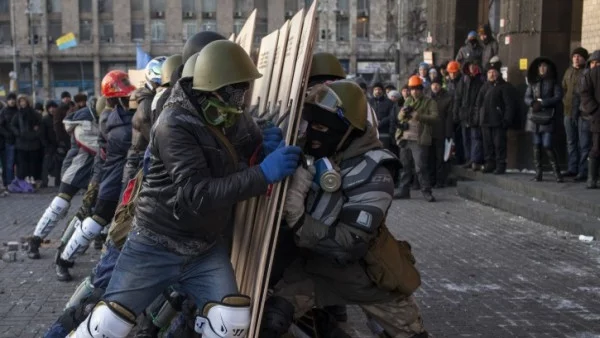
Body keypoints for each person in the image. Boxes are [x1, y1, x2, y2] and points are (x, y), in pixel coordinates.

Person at [68, 40, 302, 338]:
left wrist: (262, 145)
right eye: (236, 90)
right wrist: (263, 173)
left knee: (229, 321)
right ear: (211, 87)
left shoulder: (229, 113)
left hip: (204, 246)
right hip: (156, 242)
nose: (242, 99)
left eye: (244, 90)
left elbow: (242, 146)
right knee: (107, 325)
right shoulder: (174, 123)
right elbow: (197, 194)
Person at [260, 80, 428, 338]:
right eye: (310, 126)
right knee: (271, 321)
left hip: (364, 274)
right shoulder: (316, 155)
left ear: (346, 130)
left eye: (320, 127)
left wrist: (297, 219)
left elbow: (349, 243)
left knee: (409, 332)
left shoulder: (375, 171)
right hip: (313, 268)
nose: (313, 136)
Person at [57, 71, 136, 282]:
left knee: (100, 221)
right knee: (97, 220)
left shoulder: (113, 116)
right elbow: (127, 138)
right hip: (114, 177)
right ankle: (63, 260)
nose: (130, 99)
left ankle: (65, 259)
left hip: (114, 176)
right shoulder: (115, 119)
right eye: (126, 97)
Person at [27, 93, 98, 260]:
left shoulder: (99, 119)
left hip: (95, 172)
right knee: (60, 205)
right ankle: (35, 241)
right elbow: (98, 146)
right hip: (77, 168)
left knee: (90, 211)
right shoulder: (85, 122)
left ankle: (66, 248)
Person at [122, 56, 166, 185]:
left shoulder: (149, 99)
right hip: (139, 160)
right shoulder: (147, 101)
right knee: (129, 202)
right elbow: (153, 136)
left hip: (140, 158)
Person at [395, 75, 439, 201]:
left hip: (419, 139)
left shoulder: (430, 102)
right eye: (412, 89)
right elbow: (399, 118)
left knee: (421, 167)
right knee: (405, 166)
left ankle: (426, 191)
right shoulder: (408, 100)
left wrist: (418, 116)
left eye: (417, 89)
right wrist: (403, 113)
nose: (414, 91)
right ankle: (404, 191)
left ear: (421, 89)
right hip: (405, 137)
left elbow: (435, 118)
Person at [524, 57, 564, 182]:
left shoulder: (553, 82)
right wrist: (532, 103)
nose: (542, 68)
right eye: (540, 66)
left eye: (544, 66)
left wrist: (544, 103)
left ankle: (557, 173)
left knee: (547, 145)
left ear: (548, 68)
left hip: (548, 118)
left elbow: (558, 96)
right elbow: (526, 97)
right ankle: (538, 173)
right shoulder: (533, 82)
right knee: (536, 146)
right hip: (534, 119)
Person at [477, 58, 516, 175]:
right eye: (489, 72)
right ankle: (490, 164)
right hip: (485, 121)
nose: (491, 74)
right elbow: (478, 103)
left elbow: (509, 105)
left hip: (498, 121)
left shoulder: (505, 87)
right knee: (487, 145)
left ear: (499, 73)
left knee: (499, 145)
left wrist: (506, 120)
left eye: (494, 72)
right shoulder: (484, 87)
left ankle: (500, 165)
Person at [562, 47, 589, 180]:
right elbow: (564, 88)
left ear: (584, 58)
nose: (576, 58)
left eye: (579, 56)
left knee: (583, 144)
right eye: (574, 56)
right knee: (571, 142)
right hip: (568, 112)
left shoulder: (587, 72)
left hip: (582, 114)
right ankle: (572, 168)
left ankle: (583, 171)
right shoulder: (568, 71)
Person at [455, 61, 485, 170]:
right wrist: (456, 112)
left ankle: (474, 160)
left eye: (474, 65)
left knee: (475, 137)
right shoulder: (464, 79)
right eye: (470, 66)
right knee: (466, 138)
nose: (472, 67)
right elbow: (458, 97)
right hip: (464, 113)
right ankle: (468, 159)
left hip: (475, 112)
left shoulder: (481, 79)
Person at [11, 95, 42, 186]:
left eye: (24, 101)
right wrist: (18, 133)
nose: (22, 103)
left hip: (33, 141)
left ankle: (33, 177)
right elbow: (13, 125)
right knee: (23, 162)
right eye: (20, 102)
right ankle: (25, 178)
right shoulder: (18, 114)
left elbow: (40, 124)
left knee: (33, 161)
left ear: (28, 102)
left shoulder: (34, 113)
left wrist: (36, 134)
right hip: (22, 142)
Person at [428, 76, 454, 188]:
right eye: (433, 84)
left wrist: (448, 133)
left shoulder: (447, 98)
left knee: (440, 158)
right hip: (429, 133)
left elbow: (449, 117)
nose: (435, 86)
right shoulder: (427, 98)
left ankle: (440, 180)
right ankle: (431, 179)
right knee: (430, 157)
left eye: (437, 84)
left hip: (441, 132)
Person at [580, 50, 600, 189]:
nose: (595, 65)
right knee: (596, 147)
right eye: (593, 62)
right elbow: (585, 95)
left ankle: (593, 179)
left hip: (595, 115)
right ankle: (592, 179)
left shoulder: (590, 74)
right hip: (597, 117)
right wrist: (595, 110)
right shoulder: (590, 75)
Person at [369, 82, 396, 149]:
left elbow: (391, 116)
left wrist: (381, 122)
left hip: (385, 132)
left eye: (379, 89)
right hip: (371, 132)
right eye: (376, 89)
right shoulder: (369, 102)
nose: (377, 91)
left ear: (382, 91)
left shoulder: (389, 102)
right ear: (373, 91)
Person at [0, 92, 19, 187]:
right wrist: (7, 134)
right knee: (9, 163)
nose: (12, 101)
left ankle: (15, 182)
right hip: (8, 141)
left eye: (13, 99)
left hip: (19, 141)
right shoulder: (4, 111)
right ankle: (9, 182)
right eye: (10, 99)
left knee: (17, 162)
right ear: (7, 101)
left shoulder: (18, 111)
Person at [40, 100, 60, 187]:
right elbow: (42, 134)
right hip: (48, 145)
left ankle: (58, 182)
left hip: (58, 145)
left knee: (59, 164)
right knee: (46, 165)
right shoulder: (45, 119)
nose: (52, 109)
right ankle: (44, 182)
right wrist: (46, 145)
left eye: (53, 107)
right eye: (50, 108)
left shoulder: (60, 118)